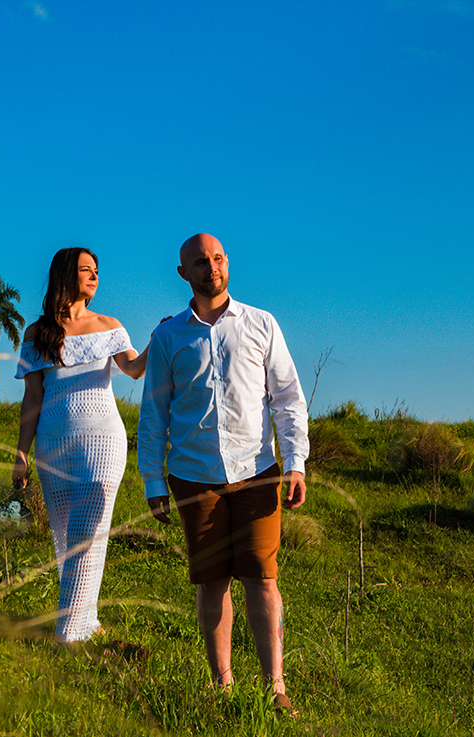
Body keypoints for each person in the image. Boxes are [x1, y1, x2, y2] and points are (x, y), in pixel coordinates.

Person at [138, 232, 309, 715]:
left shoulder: (261, 324)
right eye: (199, 262)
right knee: (212, 583)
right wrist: (153, 482)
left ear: (226, 262)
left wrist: (295, 463)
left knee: (263, 578)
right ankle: (222, 686)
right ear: (183, 273)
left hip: (257, 473)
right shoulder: (168, 337)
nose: (210, 268)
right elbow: (155, 417)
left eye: (217, 259)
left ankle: (275, 688)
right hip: (194, 477)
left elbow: (289, 399)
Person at [13, 246, 148, 642]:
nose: (94, 277)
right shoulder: (37, 334)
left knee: (86, 531)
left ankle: (66, 634)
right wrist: (20, 454)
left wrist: (160, 338)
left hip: (104, 440)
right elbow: (32, 399)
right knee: (67, 537)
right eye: (85, 270)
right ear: (64, 276)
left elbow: (135, 370)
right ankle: (85, 619)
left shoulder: (109, 325)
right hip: (53, 442)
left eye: (96, 271)